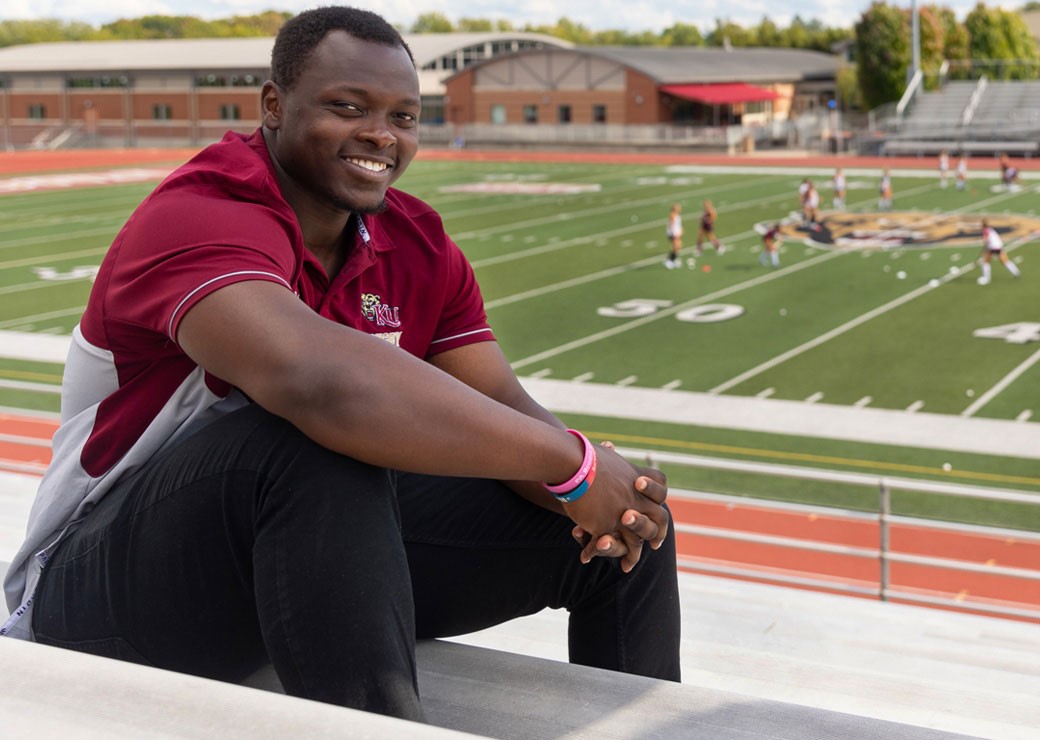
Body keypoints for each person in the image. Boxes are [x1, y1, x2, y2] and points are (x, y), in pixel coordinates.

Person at [1, 6, 680, 723]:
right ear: (273, 105)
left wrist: (601, 490)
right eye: (346, 107)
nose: (381, 135)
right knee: (303, 442)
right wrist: (568, 463)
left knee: (630, 529)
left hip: (302, 560)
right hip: (107, 588)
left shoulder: (415, 242)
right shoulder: (201, 211)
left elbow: (502, 404)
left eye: (404, 117)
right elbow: (318, 386)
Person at [977, 219, 1021, 285]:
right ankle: (1016, 272)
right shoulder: (991, 230)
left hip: (992, 247)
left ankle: (986, 278)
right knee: (1004, 261)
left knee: (985, 261)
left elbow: (985, 240)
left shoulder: (985, 230)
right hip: (999, 246)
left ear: (982, 225)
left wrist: (985, 249)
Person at [664, 202, 683, 269]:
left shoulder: (678, 215)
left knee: (678, 247)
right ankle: (668, 261)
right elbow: (671, 225)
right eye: (678, 208)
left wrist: (680, 231)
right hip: (673, 234)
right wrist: (674, 234)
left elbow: (678, 224)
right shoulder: (672, 215)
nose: (680, 209)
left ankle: (674, 260)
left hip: (677, 233)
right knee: (675, 247)